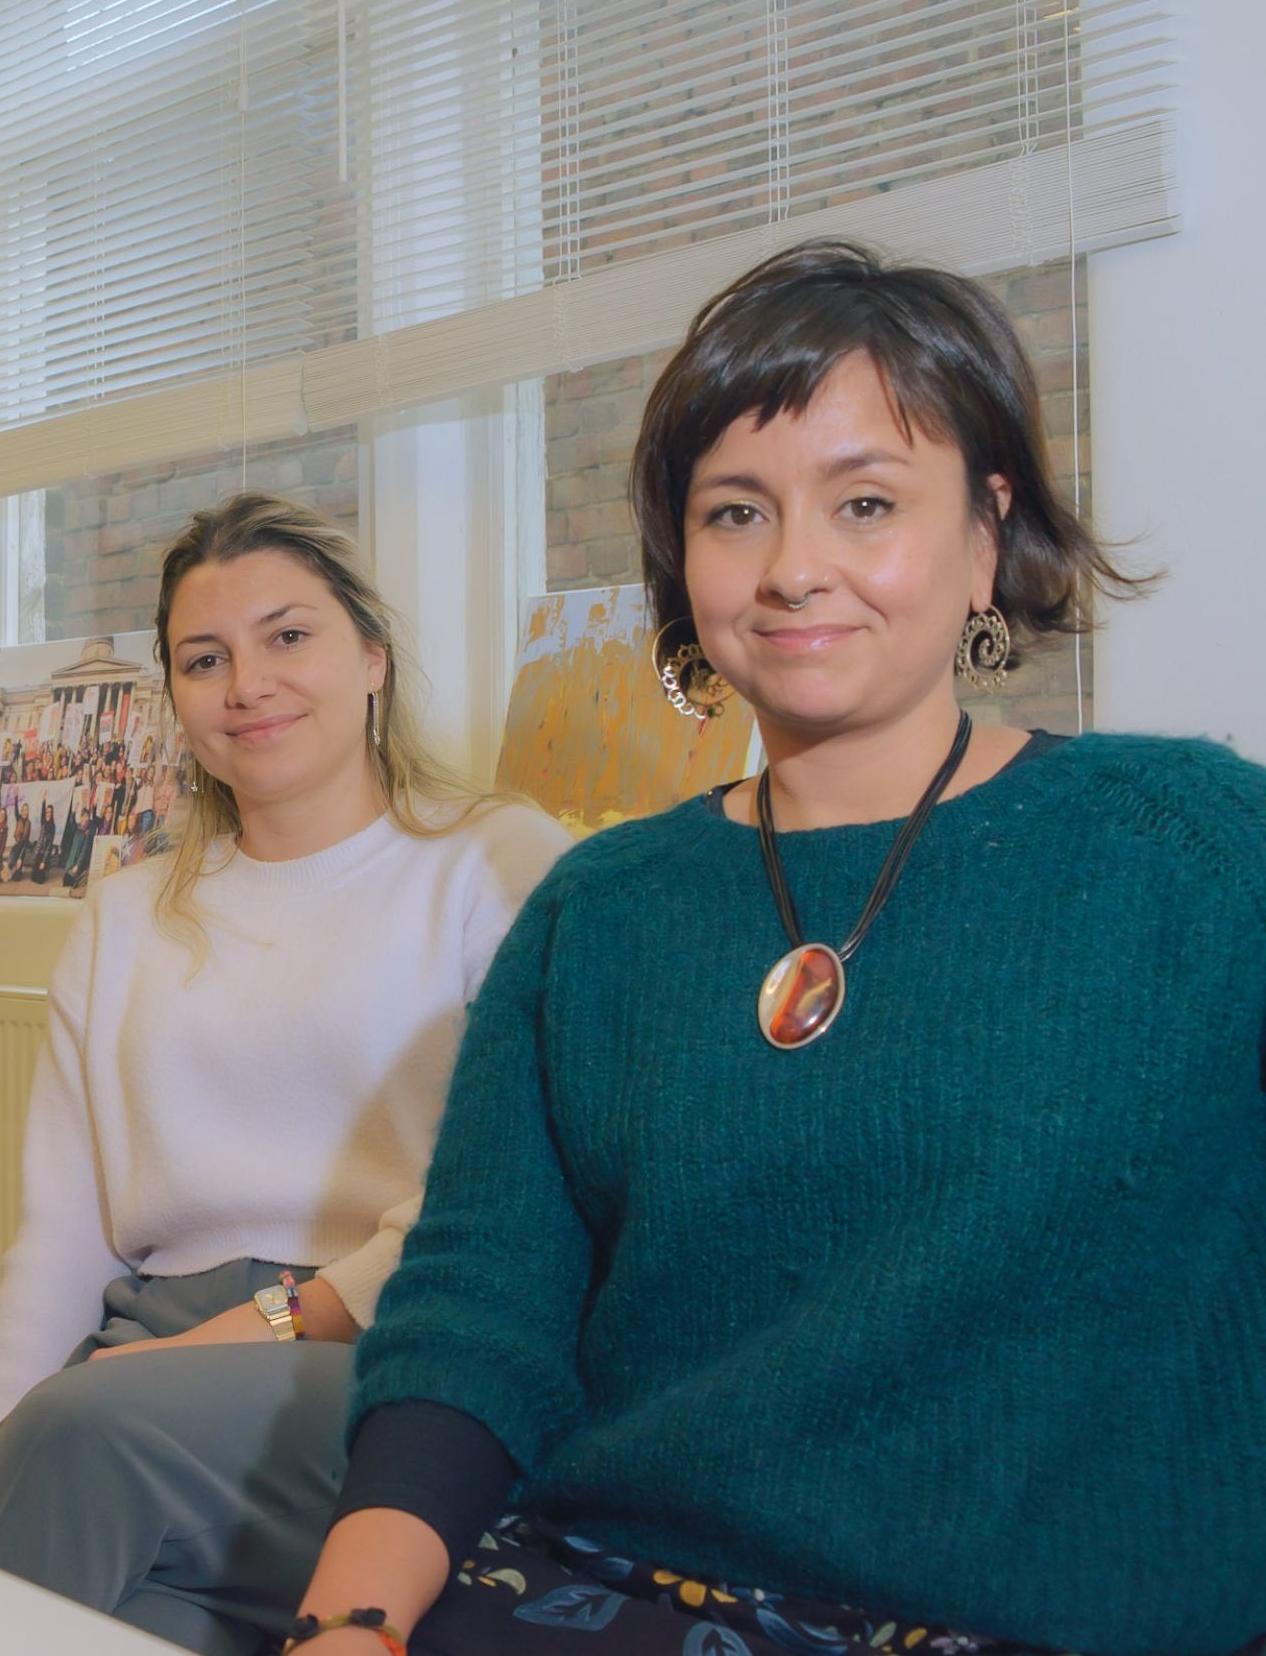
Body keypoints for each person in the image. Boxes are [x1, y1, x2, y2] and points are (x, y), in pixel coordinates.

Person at [292, 239, 1266, 1656]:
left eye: (864, 501)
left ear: (988, 530)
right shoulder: (598, 909)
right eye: (736, 513)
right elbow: (473, 1322)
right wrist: (351, 1623)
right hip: (609, 1587)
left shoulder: (1194, 853)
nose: (795, 568)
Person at [0, 494, 570, 1654]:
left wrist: (252, 1328)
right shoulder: (123, 910)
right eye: (204, 657)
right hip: (146, 1353)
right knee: (117, 1611)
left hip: (383, 1347)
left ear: (371, 654)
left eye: (289, 635)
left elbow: (516, 1194)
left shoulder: (496, 860)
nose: (246, 683)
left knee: (77, 1437)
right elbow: (62, 1236)